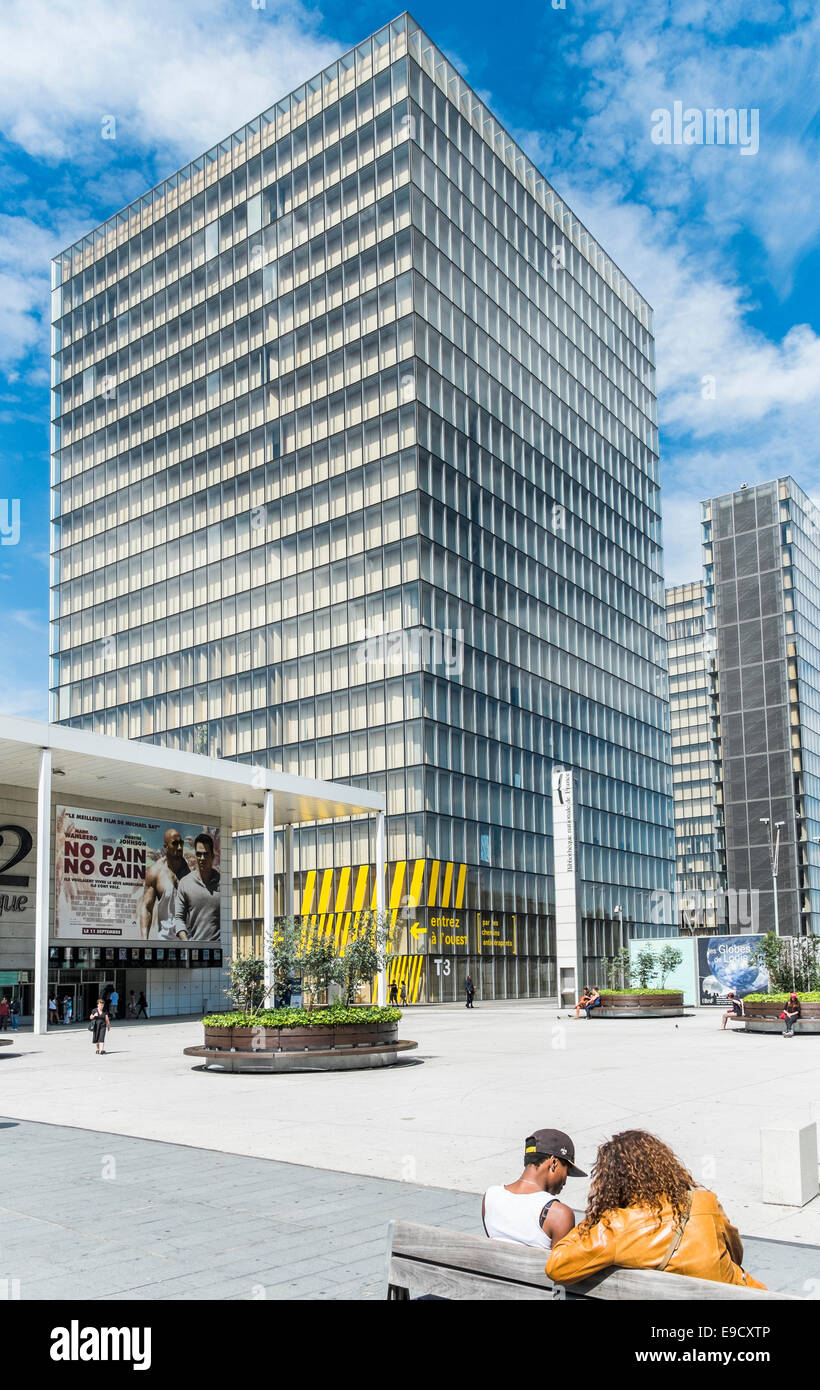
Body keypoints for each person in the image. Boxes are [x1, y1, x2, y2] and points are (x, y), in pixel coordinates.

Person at [545, 1129, 766, 1289]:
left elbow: (557, 1266)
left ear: (611, 1181)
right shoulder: (705, 1202)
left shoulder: (617, 1226)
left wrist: (595, 1216)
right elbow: (735, 1254)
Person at [483, 1128, 585, 1250]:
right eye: (566, 1171)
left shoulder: (490, 1197)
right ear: (554, 1163)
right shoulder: (558, 1214)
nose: (565, 1181)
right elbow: (560, 1267)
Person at [140, 827, 191, 939]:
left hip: (189, 941)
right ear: (166, 846)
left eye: (181, 843)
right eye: (175, 843)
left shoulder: (191, 872)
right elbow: (147, 907)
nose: (179, 847)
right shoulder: (155, 872)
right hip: (166, 942)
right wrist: (144, 942)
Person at [174, 834, 220, 942]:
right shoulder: (185, 883)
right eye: (199, 854)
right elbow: (179, 919)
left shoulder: (222, 883)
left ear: (212, 856)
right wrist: (188, 945)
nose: (202, 858)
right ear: (195, 855)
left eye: (206, 854)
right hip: (195, 952)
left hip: (219, 951)